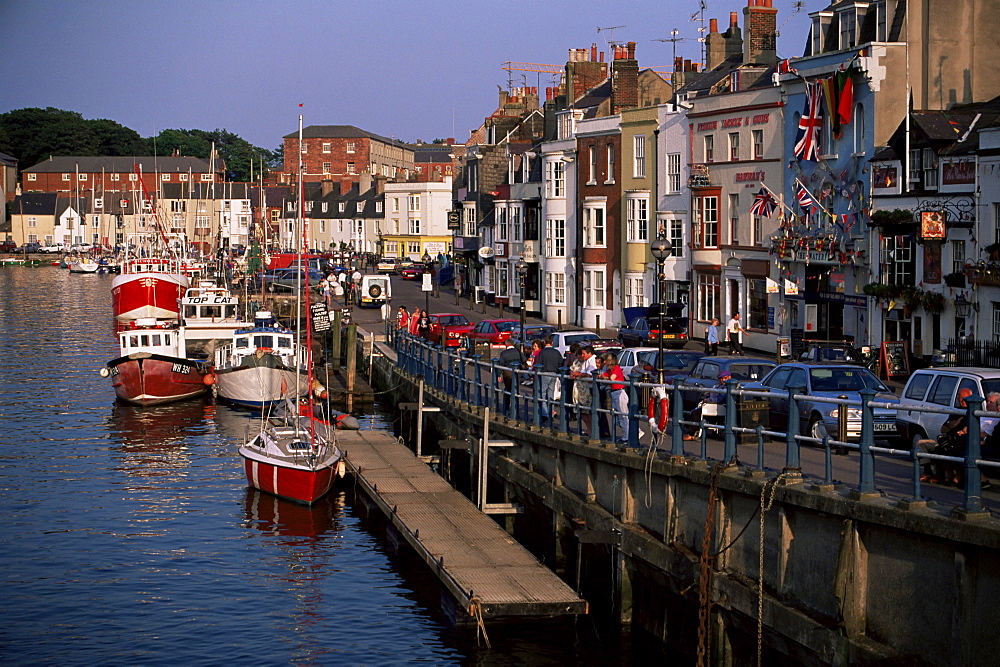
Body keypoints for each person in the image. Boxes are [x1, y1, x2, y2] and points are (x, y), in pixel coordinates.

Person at [535, 335, 564, 425]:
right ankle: (551, 412)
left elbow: (538, 363)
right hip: (554, 373)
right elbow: (560, 363)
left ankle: (545, 413)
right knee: (551, 394)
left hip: (544, 373)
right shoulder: (556, 352)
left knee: (543, 393)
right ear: (552, 343)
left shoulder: (542, 352)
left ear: (544, 342)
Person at [571, 346, 598, 437]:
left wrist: (578, 374)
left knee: (587, 410)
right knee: (581, 409)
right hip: (580, 388)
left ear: (589, 353)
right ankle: (589, 428)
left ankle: (592, 430)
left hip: (587, 388)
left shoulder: (592, 362)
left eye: (583, 354)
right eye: (580, 354)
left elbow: (591, 376)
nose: (581, 356)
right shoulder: (585, 361)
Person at [602, 352, 628, 444]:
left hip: (620, 393)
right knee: (616, 418)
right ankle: (634, 431)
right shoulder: (610, 370)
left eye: (606, 360)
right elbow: (603, 375)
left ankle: (626, 438)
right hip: (614, 393)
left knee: (623, 417)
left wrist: (605, 378)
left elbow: (611, 378)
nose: (604, 362)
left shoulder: (616, 369)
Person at [496, 339, 525, 417]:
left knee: (507, 389)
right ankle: (515, 406)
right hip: (516, 372)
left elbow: (501, 365)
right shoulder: (518, 351)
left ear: (506, 344)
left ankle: (506, 407)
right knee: (515, 389)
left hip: (507, 373)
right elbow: (524, 360)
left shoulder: (503, 353)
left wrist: (499, 375)